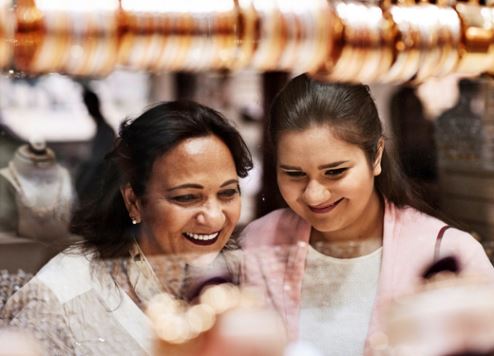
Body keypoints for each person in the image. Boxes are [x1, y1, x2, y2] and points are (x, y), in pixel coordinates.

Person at [239, 73, 494, 355]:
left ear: (376, 156)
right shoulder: (259, 242)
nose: (314, 194)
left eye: (335, 172)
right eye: (294, 174)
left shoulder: (448, 252)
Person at [1, 100, 253, 355]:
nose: (214, 217)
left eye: (228, 193)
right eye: (187, 197)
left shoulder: (249, 275)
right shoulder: (59, 299)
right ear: (134, 201)